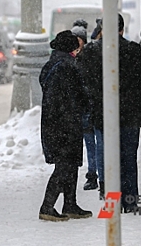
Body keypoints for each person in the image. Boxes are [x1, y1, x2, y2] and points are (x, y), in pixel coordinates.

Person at [79, 14, 141, 212]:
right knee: (128, 158)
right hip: (129, 115)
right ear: (122, 29)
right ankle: (130, 201)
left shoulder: (91, 52)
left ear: (102, 29)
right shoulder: (133, 50)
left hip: (104, 114)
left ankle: (112, 202)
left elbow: (84, 82)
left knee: (109, 159)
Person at [38, 30, 93, 221]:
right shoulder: (67, 67)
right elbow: (74, 96)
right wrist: (82, 106)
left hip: (55, 123)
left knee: (69, 164)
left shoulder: (52, 64)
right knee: (64, 165)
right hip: (66, 123)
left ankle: (70, 204)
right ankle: (47, 206)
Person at [71, 22, 98, 191]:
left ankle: (92, 174)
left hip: (87, 107)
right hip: (79, 107)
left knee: (90, 143)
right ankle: (91, 173)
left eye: (78, 39)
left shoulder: (86, 57)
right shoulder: (74, 58)